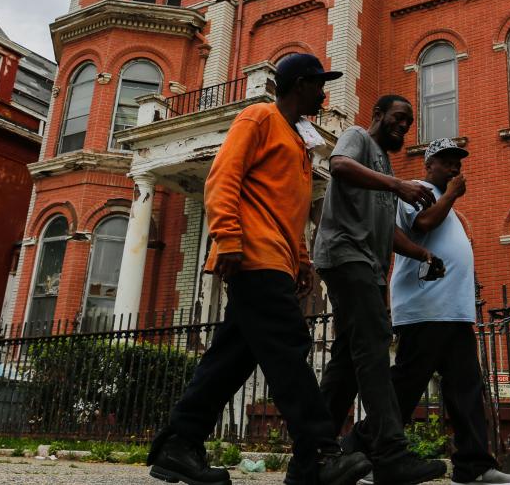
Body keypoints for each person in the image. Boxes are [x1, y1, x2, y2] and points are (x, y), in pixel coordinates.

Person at [148, 54, 371, 485]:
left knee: (232, 357)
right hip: (252, 254)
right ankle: (320, 454)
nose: (324, 92)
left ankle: (180, 444)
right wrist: (228, 238)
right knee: (289, 345)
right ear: (300, 84)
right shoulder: (259, 117)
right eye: (319, 82)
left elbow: (290, 208)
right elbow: (222, 178)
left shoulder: (300, 140)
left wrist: (302, 260)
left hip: (278, 259)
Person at [353, 138, 510, 485]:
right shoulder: (419, 192)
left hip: (454, 312)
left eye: (457, 161)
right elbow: (423, 224)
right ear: (429, 165)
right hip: (425, 308)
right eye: (446, 161)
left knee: (466, 388)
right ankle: (360, 457)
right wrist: (451, 195)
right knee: (405, 387)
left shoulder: (447, 204)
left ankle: (473, 467)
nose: (455, 167)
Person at [312, 95, 447, 485]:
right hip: (344, 255)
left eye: (409, 122)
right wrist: (396, 185)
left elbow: (388, 232)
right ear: (377, 114)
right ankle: (390, 453)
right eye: (398, 118)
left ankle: (312, 451)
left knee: (346, 361)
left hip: (369, 267)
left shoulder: (385, 167)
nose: (404, 126)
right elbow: (338, 166)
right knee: (373, 343)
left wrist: (422, 254)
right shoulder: (357, 138)